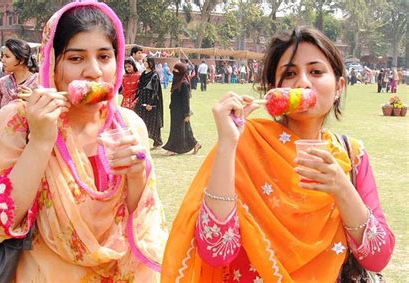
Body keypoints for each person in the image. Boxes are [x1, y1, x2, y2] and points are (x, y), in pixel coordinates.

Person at [162, 26, 394, 282]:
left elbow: (377, 257)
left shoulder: (352, 156)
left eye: (316, 72)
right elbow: (217, 249)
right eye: (290, 73)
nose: (303, 82)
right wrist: (228, 144)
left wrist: (342, 188)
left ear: (339, 86)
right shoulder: (244, 142)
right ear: (274, 87)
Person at [0, 2, 167, 281]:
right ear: (51, 63)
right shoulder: (19, 121)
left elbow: (142, 223)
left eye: (104, 57)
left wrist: (137, 176)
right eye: (76, 58)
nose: (93, 71)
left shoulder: (129, 125)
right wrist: (41, 142)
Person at [162, 63, 202, 156]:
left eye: (176, 70)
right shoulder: (177, 82)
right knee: (185, 129)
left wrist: (187, 114)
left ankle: (173, 149)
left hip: (181, 112)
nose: (174, 72)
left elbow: (186, 101)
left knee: (178, 130)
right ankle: (196, 144)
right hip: (175, 110)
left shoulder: (184, 84)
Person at [135, 57, 164, 149]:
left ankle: (158, 142)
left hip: (150, 101)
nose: (145, 63)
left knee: (153, 122)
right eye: (144, 62)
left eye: (147, 62)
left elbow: (155, 91)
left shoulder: (154, 75)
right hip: (142, 99)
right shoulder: (143, 74)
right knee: (141, 120)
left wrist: (151, 103)